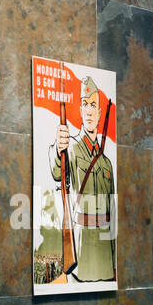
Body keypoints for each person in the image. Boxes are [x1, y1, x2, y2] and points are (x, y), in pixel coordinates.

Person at [50, 76, 115, 281]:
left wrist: (114, 260)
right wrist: (57, 148)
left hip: (104, 251)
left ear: (99, 113)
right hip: (82, 247)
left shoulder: (106, 163)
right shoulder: (71, 149)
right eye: (85, 104)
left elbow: (112, 212)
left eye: (93, 105)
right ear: (80, 110)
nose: (88, 110)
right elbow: (56, 171)